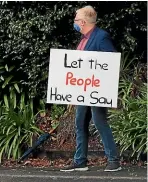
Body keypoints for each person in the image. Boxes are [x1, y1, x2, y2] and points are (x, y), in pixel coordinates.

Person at [60, 6, 121, 172]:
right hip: (82, 91)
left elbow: (111, 63)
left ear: (83, 22)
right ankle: (80, 161)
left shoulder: (101, 37)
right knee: (80, 123)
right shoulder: (83, 40)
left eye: (76, 19)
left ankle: (113, 160)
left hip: (96, 90)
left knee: (100, 122)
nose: (74, 22)